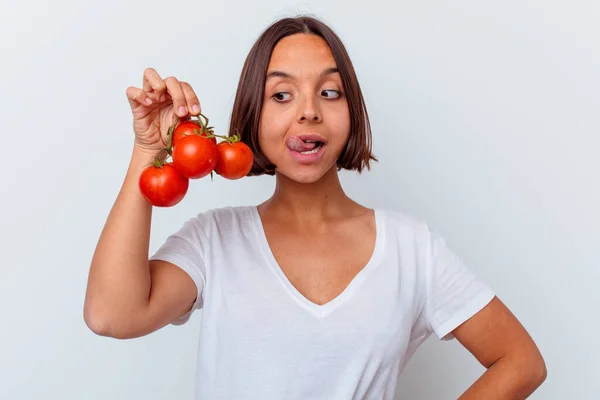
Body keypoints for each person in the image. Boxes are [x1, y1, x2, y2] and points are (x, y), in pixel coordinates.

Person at [84, 15, 546, 399]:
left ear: (352, 112)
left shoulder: (411, 248)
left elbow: (520, 362)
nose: (308, 111)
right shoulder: (214, 240)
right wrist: (148, 150)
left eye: (329, 92)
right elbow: (112, 315)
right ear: (253, 115)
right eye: (281, 95)